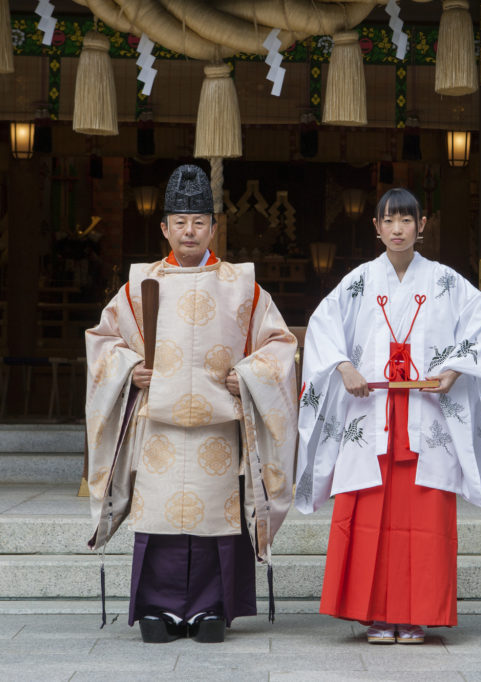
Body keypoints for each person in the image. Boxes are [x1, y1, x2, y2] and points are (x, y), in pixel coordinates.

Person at [295, 187, 481, 644]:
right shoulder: (358, 280)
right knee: (369, 514)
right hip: (370, 414)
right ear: (375, 228)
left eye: (407, 220)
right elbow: (322, 327)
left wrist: (455, 368)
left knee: (425, 519)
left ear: (423, 226)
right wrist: (345, 367)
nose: (398, 229)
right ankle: (375, 614)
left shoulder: (447, 282)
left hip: (427, 415)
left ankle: (416, 614)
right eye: (389, 221)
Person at [84, 164, 297, 644]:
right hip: (157, 424)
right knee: (159, 516)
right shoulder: (139, 287)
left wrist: (249, 377)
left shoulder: (243, 286)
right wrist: (127, 370)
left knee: (214, 519)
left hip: (218, 427)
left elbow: (279, 346)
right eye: (179, 222)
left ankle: (211, 608)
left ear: (214, 228)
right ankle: (157, 606)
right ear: (164, 228)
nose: (189, 230)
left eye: (199, 221)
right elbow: (103, 341)